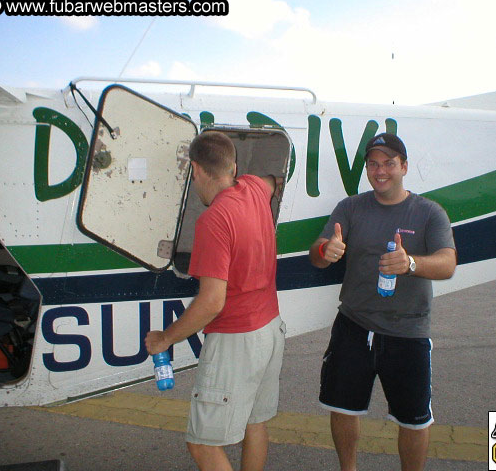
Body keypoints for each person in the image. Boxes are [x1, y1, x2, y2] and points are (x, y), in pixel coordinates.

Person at [309, 132, 457, 471]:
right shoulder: (350, 207)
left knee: (414, 420)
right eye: (373, 164)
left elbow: (447, 263)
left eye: (389, 163)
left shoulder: (429, 212)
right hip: (353, 326)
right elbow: (316, 253)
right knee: (343, 409)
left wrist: (411, 264)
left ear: (404, 167)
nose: (380, 171)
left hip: (408, 330)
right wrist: (325, 250)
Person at [145, 131, 285, 471]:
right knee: (255, 422)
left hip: (236, 340)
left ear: (195, 169)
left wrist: (165, 338)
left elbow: (211, 302)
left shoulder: (213, 220)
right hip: (270, 330)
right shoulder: (253, 187)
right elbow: (273, 181)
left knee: (203, 444)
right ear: (233, 166)